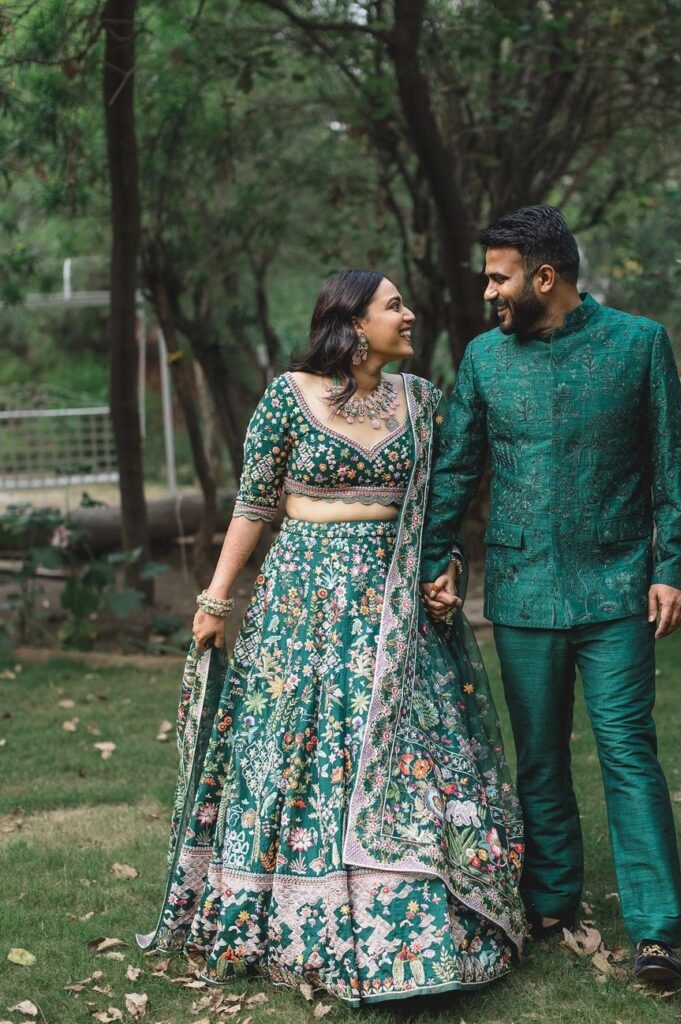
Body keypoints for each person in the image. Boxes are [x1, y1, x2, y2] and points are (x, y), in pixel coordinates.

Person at [138, 270, 525, 1006]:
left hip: (394, 604)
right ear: (351, 329)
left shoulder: (423, 402)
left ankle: (412, 927)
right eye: (394, 306)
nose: (409, 315)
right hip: (302, 605)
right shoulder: (289, 397)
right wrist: (216, 597)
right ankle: (294, 914)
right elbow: (254, 504)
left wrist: (445, 567)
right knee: (299, 748)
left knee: (410, 750)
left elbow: (442, 504)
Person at [420, 206, 681, 985]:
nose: (487, 292)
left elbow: (671, 465)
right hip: (522, 592)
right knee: (539, 759)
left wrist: (672, 565)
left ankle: (655, 931)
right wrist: (439, 550)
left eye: (499, 276)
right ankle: (550, 904)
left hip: (617, 592)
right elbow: (457, 465)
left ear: (546, 277)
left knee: (628, 754)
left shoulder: (639, 344)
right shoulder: (484, 359)